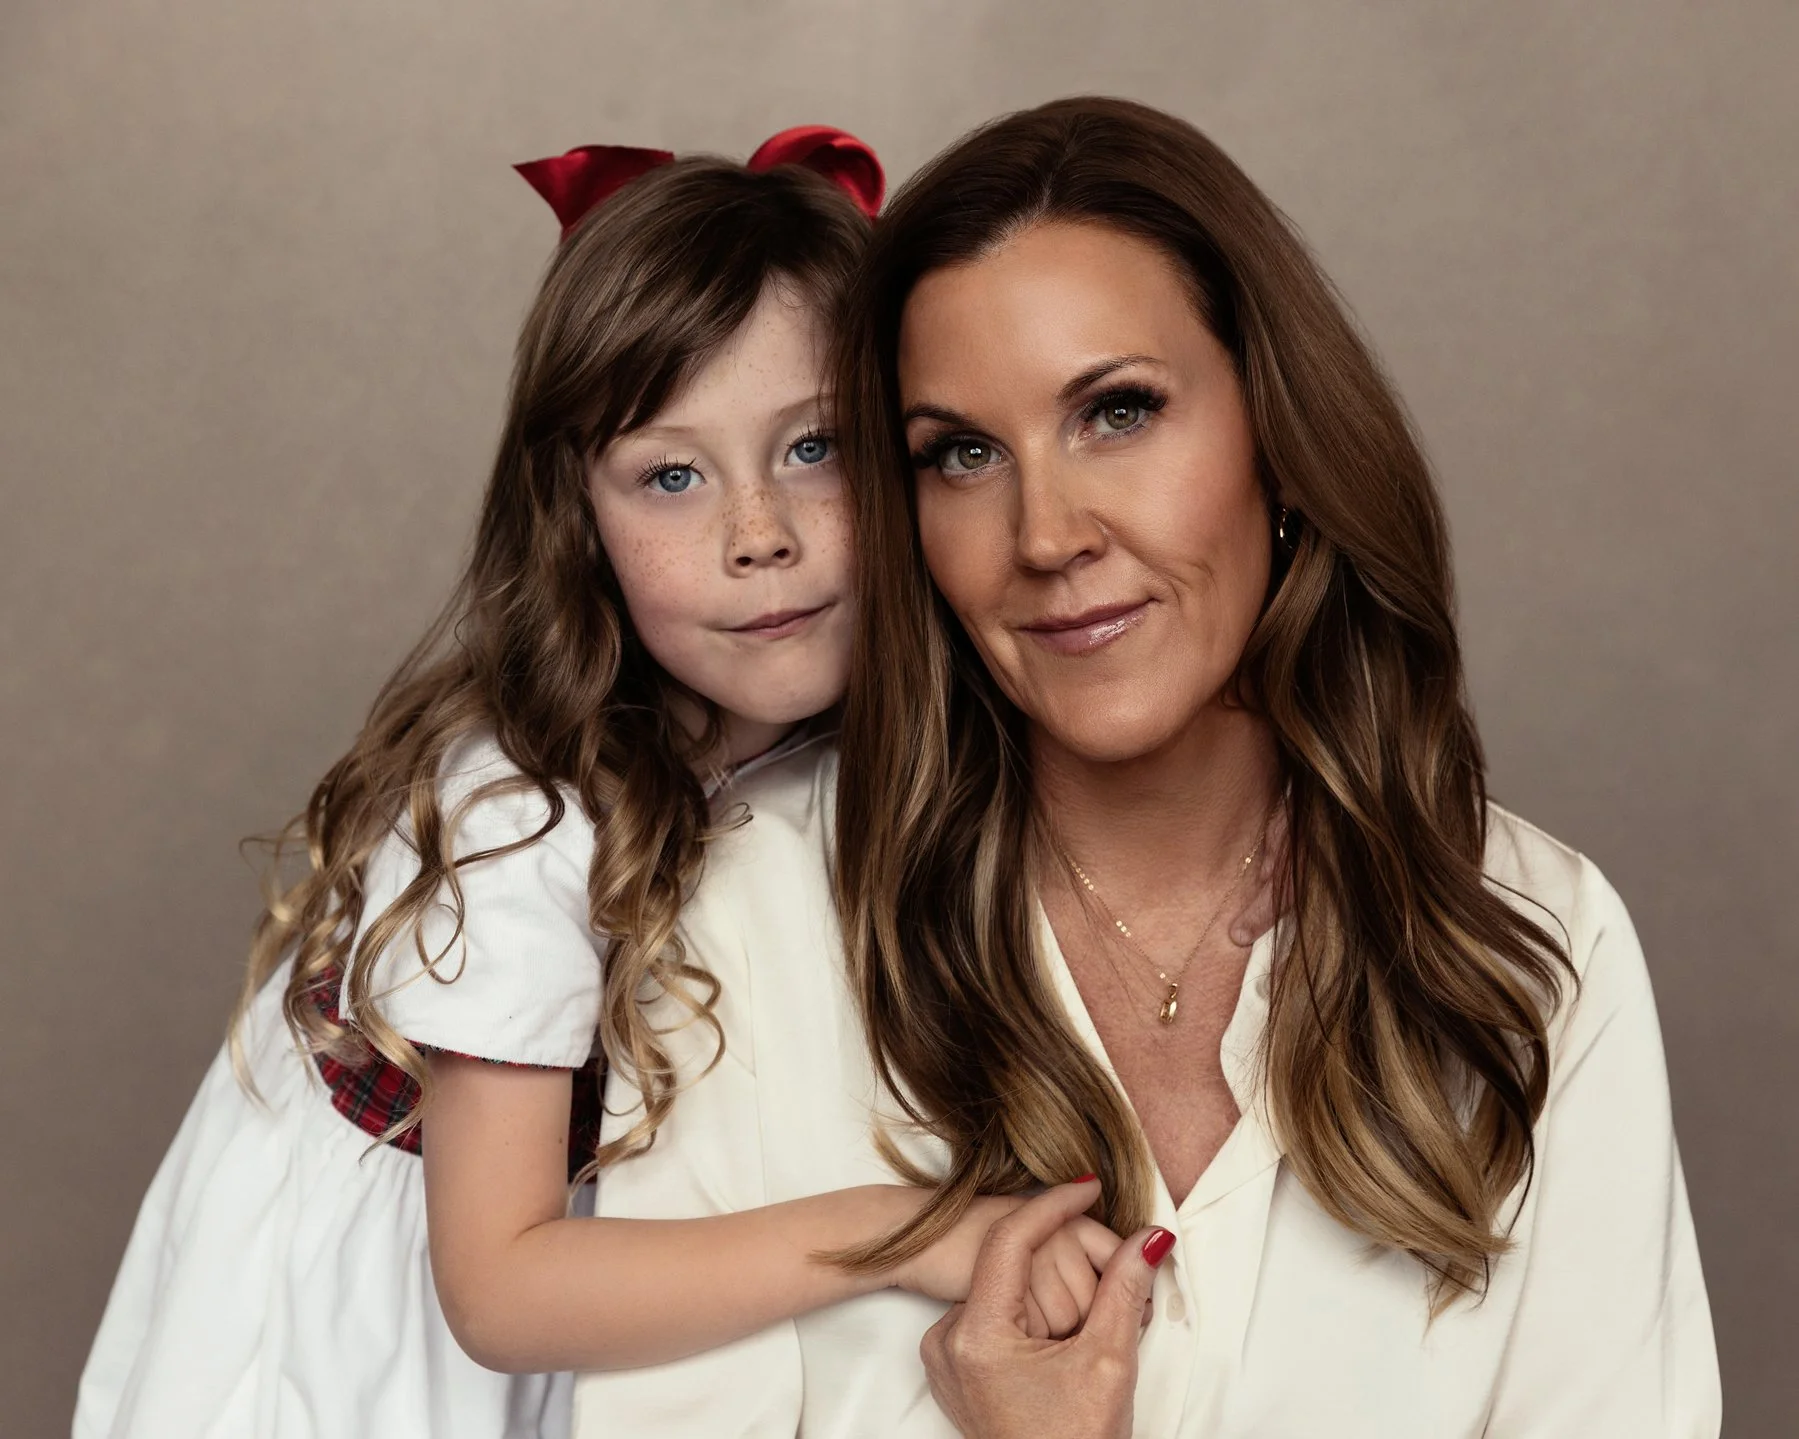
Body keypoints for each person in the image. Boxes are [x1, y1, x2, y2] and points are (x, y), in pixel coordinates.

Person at [572, 97, 1721, 1438]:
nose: (1046, 532)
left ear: (1277, 439)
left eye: (1116, 412)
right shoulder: (749, 916)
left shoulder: (1532, 941)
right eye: (962, 453)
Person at [74, 127, 1117, 1439]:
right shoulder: (523, 811)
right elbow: (500, 1287)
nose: (758, 534)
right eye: (671, 475)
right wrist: (898, 1232)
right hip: (387, 1364)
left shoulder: (880, 738)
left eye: (814, 448)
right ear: (578, 517)